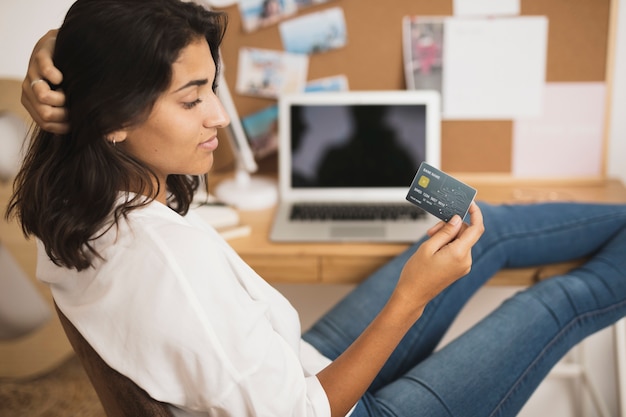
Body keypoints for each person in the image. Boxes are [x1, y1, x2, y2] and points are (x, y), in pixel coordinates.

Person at [10, 1, 626, 416]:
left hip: (292, 359)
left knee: (483, 231)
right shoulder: (164, 264)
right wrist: (411, 296)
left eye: (212, 89)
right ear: (112, 115)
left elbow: (96, 59)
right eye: (192, 98)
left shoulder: (80, 194)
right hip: (321, 400)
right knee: (554, 302)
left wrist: (56, 51)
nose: (219, 116)